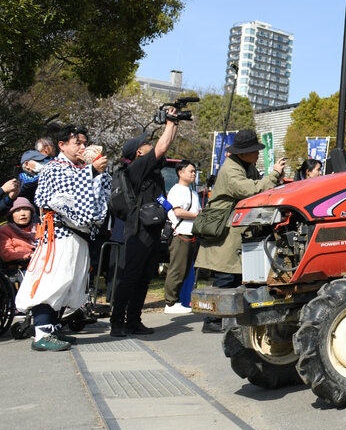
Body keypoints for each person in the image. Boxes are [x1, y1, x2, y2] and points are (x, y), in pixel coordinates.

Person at [15, 124, 110, 351]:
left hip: (79, 235)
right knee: (52, 282)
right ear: (62, 145)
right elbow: (63, 195)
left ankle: (54, 328)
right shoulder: (53, 167)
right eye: (77, 142)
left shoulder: (80, 168)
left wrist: (98, 173)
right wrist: (92, 171)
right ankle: (41, 332)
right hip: (58, 234)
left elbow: (99, 198)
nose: (82, 147)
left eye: (84, 143)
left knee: (69, 284)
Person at [195, 129, 285, 333]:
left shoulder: (245, 166)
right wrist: (274, 174)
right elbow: (250, 190)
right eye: (255, 151)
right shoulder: (231, 169)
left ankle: (228, 319)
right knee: (225, 276)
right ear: (244, 152)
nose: (258, 154)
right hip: (225, 230)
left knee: (236, 277)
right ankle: (213, 320)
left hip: (236, 229)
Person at [109, 114, 178, 337]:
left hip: (153, 230)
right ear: (138, 153)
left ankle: (134, 321)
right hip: (137, 229)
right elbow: (162, 146)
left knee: (144, 277)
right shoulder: (136, 168)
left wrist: (175, 124)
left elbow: (163, 148)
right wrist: (168, 123)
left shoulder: (153, 170)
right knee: (130, 276)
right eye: (145, 143)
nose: (151, 144)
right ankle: (117, 322)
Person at [163, 161, 200, 314]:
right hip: (180, 234)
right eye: (190, 171)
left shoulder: (193, 192)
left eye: (194, 171)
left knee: (184, 269)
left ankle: (177, 301)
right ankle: (170, 303)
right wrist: (196, 215)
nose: (193, 174)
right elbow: (177, 212)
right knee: (177, 269)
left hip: (191, 233)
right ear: (180, 172)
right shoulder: (176, 190)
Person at [0, 197, 39, 265]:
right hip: (19, 268)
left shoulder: (39, 227)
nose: (23, 214)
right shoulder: (5, 230)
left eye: (26, 209)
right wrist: (29, 255)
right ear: (11, 215)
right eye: (17, 210)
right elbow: (7, 254)